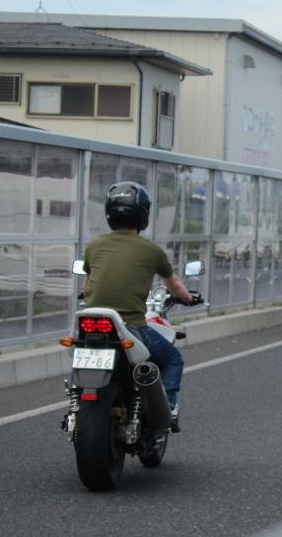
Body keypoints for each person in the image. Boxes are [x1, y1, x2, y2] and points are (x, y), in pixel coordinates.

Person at [82, 181, 198, 432]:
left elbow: (88, 283)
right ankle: (170, 409)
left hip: (90, 322)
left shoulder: (94, 246)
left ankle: (76, 400)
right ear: (143, 214)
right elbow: (174, 284)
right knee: (173, 360)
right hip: (130, 326)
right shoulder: (151, 251)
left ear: (109, 213)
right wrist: (188, 298)